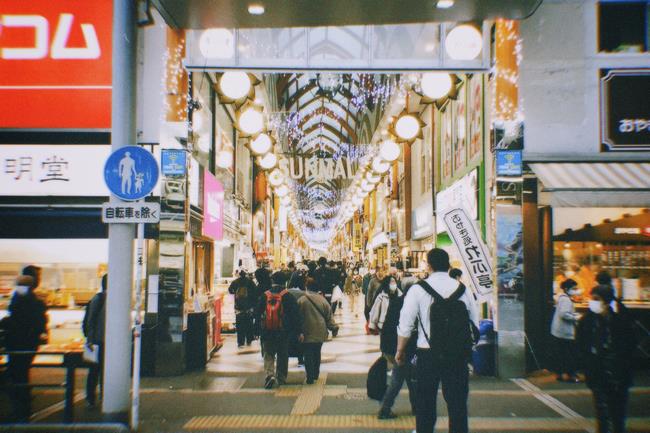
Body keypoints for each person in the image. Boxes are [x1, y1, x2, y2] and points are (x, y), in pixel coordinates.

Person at [396, 248, 479, 433]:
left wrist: (400, 351)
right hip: (457, 356)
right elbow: (474, 323)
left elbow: (406, 324)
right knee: (458, 405)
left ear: (428, 265)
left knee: (425, 405)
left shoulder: (418, 289)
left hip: (428, 356)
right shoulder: (463, 290)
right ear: (448, 265)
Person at [576, 279, 636, 433]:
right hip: (598, 371)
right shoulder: (588, 320)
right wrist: (586, 367)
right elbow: (581, 344)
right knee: (602, 412)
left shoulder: (622, 318)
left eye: (596, 299)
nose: (592, 303)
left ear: (607, 301)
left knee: (618, 413)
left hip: (619, 372)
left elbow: (629, 345)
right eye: (592, 299)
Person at [2, 273, 48, 422]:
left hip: (16, 343)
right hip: (29, 344)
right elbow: (40, 323)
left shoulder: (17, 301)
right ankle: (23, 406)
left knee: (17, 374)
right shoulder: (37, 303)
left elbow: (14, 320)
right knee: (21, 373)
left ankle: (21, 407)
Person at [372, 276, 417, 419]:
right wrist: (400, 349)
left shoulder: (396, 301)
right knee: (399, 379)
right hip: (402, 348)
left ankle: (416, 406)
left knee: (410, 377)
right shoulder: (410, 304)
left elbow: (388, 325)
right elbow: (405, 329)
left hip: (392, 345)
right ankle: (385, 408)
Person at [256, 270, 302, 389]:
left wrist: (257, 331)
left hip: (267, 331)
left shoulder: (265, 295)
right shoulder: (288, 296)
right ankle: (281, 378)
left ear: (272, 281)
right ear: (285, 281)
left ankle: (269, 375)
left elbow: (257, 313)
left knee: (269, 354)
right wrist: (298, 331)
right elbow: (295, 315)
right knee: (282, 355)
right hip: (283, 332)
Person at [297, 278, 338, 384]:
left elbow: (298, 317)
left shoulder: (302, 300)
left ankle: (310, 376)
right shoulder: (323, 300)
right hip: (320, 330)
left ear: (306, 287)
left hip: (307, 330)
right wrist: (333, 327)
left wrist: (298, 331)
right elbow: (329, 316)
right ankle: (316, 373)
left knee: (308, 353)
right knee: (317, 352)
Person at [83, 274, 107, 407]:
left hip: (102, 340)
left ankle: (102, 397)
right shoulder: (99, 299)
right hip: (97, 341)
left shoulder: (104, 299)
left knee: (100, 370)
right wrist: (90, 340)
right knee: (95, 371)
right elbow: (90, 321)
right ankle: (90, 398)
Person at [550, 278, 581, 382]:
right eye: (574, 288)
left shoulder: (562, 298)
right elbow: (564, 314)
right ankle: (570, 375)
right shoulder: (566, 299)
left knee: (562, 354)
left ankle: (562, 374)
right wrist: (576, 317)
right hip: (565, 332)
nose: (576, 290)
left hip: (559, 331)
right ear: (567, 289)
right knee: (569, 355)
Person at [228, 270, 258, 348]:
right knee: (249, 324)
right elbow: (255, 293)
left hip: (239, 307)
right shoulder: (250, 282)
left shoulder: (235, 282)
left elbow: (230, 290)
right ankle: (249, 339)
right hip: (248, 307)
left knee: (240, 325)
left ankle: (240, 342)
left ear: (239, 275)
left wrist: (235, 293)